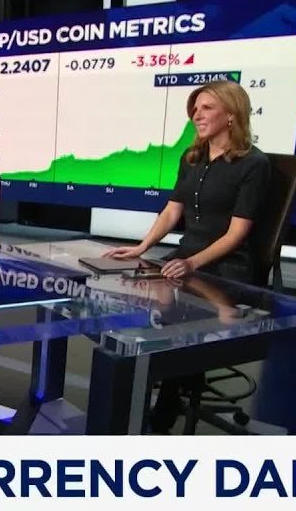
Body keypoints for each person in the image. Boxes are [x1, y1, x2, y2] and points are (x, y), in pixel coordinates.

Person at [102, 79, 271, 432]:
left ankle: (164, 409)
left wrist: (191, 263)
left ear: (231, 114)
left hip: (228, 267)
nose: (197, 115)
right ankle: (149, 398)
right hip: (185, 258)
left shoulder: (253, 164)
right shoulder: (192, 157)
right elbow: (172, 211)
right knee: (142, 301)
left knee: (181, 319)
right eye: (195, 109)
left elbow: (237, 234)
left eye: (206, 107)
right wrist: (143, 246)